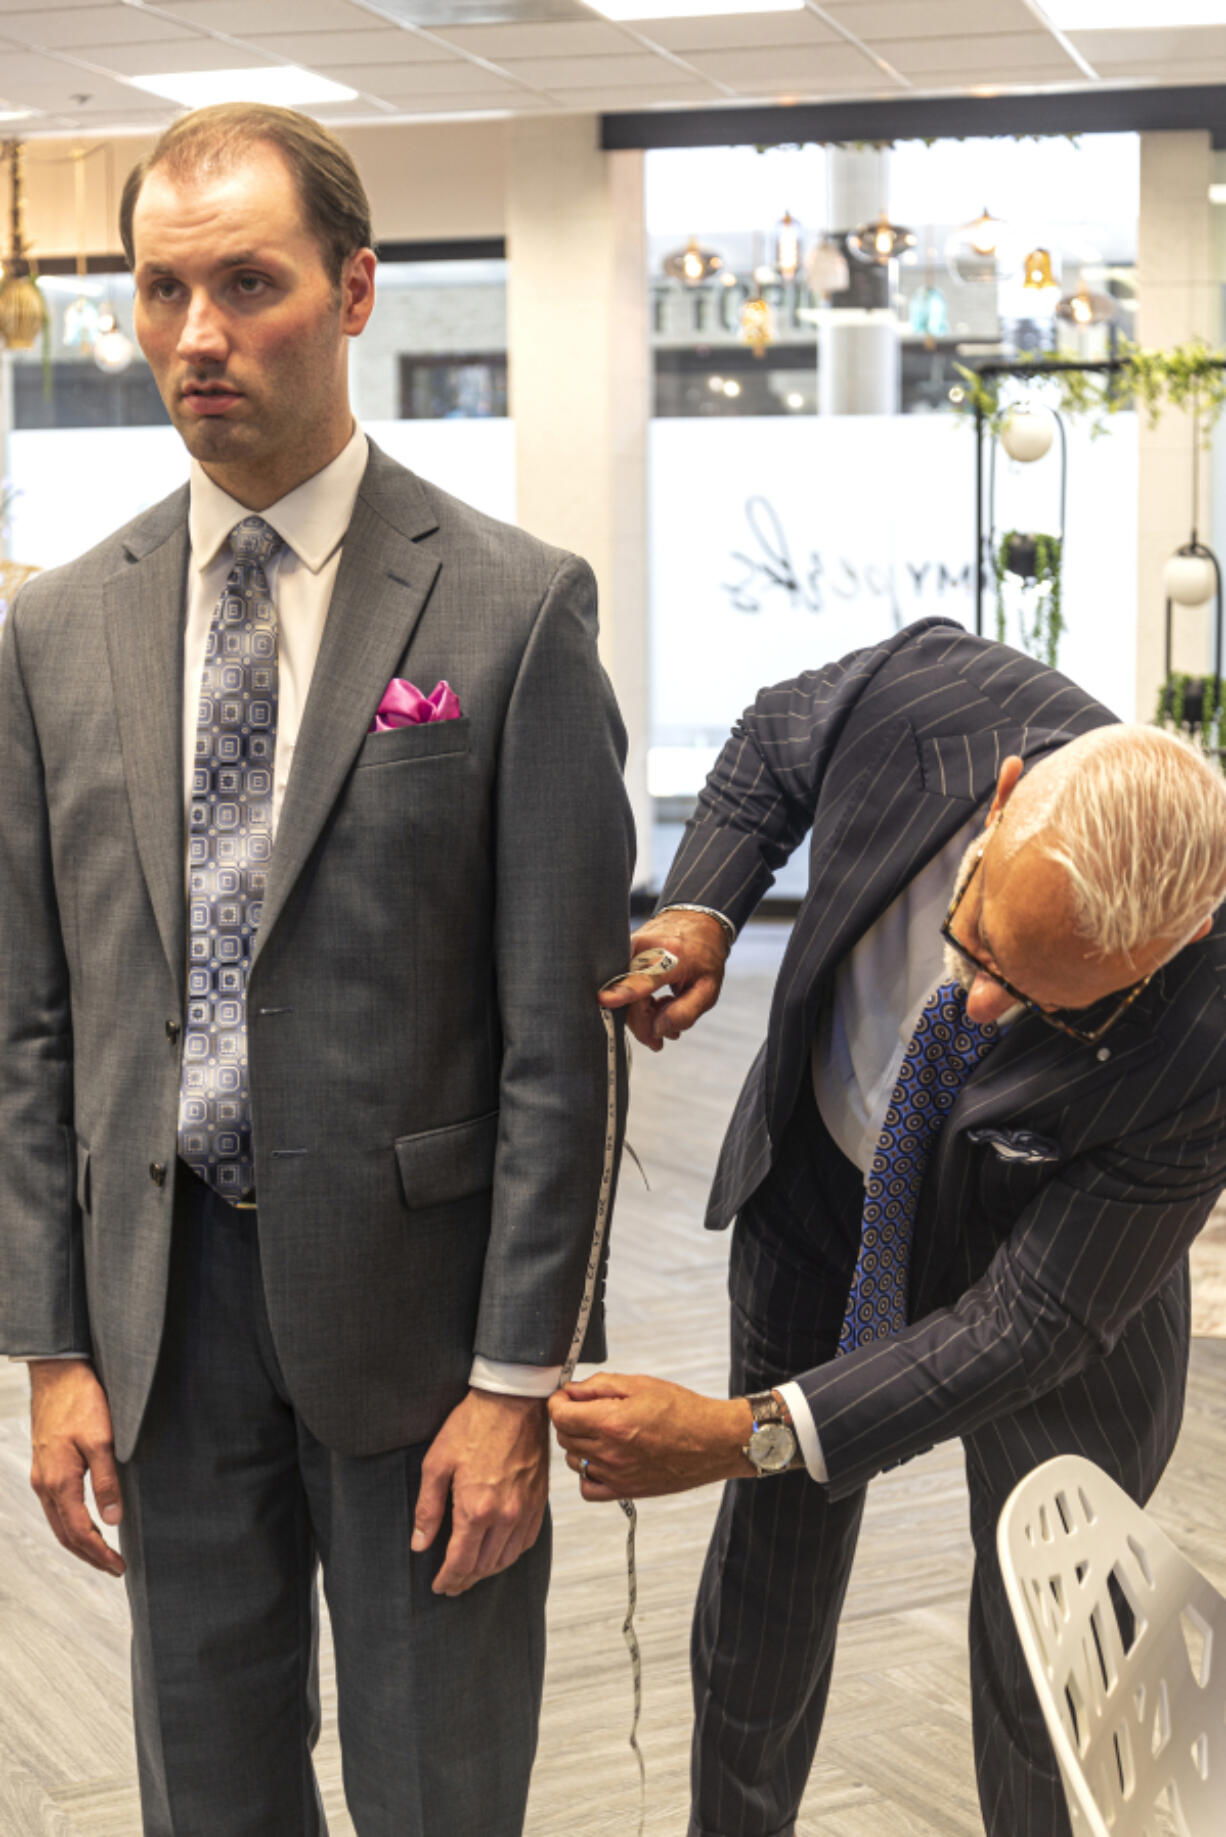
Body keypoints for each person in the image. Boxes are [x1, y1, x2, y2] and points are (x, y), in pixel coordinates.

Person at [0, 103, 633, 1837]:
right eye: (159, 291)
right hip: (165, 1308)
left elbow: (559, 1052)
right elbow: (33, 1025)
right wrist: (52, 1343)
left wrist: (520, 1381)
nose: (198, 336)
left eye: (249, 284)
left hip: (422, 1326)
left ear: (355, 293)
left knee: (437, 1783)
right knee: (205, 1779)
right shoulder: (57, 634)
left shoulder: (509, 611)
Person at [551, 617, 1226, 1837]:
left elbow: (1029, 1323)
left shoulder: (1207, 1024)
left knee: (1056, 1659)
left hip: (1060, 1288)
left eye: (1036, 1000)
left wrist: (731, 1432)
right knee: (765, 1598)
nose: (974, 1002)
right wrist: (705, 901)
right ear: (1005, 799)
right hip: (824, 1193)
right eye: (975, 940)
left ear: (1168, 945)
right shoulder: (932, 696)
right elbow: (771, 741)